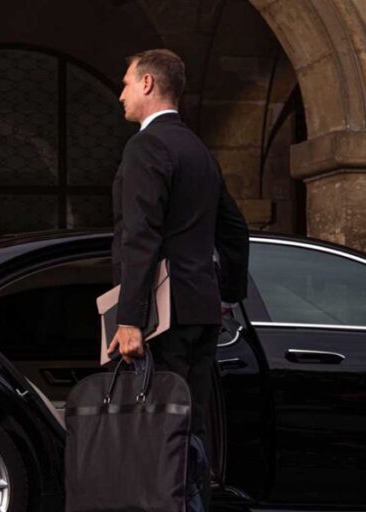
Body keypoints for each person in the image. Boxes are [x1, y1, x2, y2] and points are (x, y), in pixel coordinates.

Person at [106, 49, 249, 511]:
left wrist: (129, 319)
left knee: (156, 432)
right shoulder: (198, 150)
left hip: (160, 319)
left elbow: (140, 236)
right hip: (201, 311)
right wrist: (228, 294)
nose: (122, 94)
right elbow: (235, 230)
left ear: (148, 83)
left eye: (126, 83)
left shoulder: (146, 146)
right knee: (191, 425)